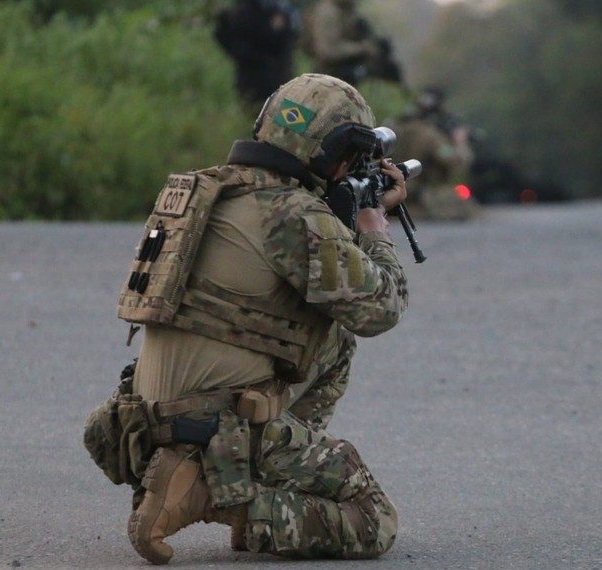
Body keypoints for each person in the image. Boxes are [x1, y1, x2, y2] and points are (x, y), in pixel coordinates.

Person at [85, 74, 409, 564]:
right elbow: (380, 308)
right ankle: (227, 498)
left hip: (142, 422)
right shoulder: (294, 215)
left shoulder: (207, 190)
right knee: (373, 520)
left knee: (332, 339)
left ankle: (214, 476)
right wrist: (373, 228)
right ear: (335, 154)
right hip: (210, 426)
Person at [391, 87, 478, 220]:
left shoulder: (396, 129)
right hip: (423, 198)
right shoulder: (430, 135)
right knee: (466, 206)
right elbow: (455, 162)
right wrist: (460, 142)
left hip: (394, 193)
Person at [214, 0, 298, 113]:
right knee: (262, 118)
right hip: (257, 78)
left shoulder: (278, 10)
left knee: (292, 122)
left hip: (276, 78)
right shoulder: (241, 13)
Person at [300, 0, 377, 85]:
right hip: (329, 76)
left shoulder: (344, 9)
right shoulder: (328, 12)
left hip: (337, 75)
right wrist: (361, 48)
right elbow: (327, 51)